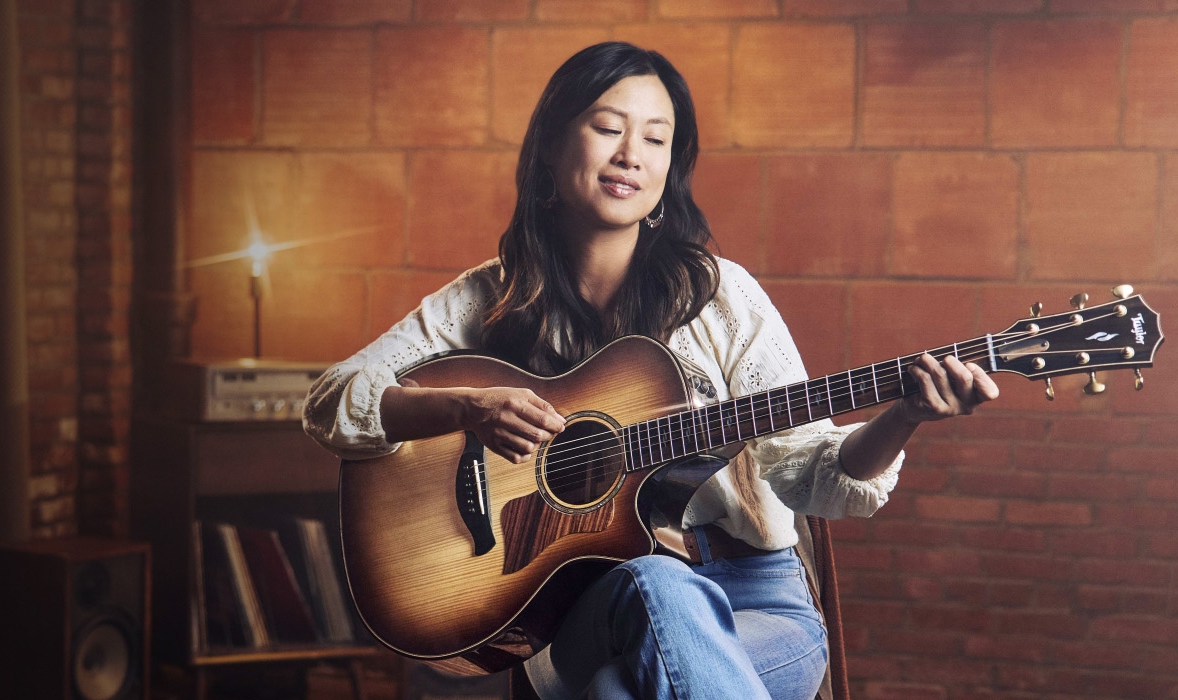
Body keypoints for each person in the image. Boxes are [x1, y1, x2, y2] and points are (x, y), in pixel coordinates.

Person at [302, 42, 999, 700]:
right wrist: (464, 408)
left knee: (616, 690)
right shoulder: (491, 296)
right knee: (657, 584)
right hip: (588, 613)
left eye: (656, 139)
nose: (631, 154)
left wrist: (903, 415)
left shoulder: (722, 297)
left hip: (759, 606)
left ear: (670, 170)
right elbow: (333, 400)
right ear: (548, 148)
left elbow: (812, 472)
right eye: (608, 127)